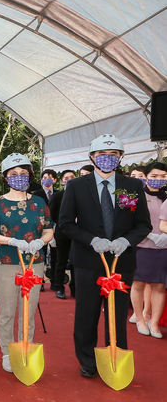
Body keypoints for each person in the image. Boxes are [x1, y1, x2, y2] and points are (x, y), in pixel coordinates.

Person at [59, 134, 151, 378]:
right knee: (87, 312)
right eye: (102, 155)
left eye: (113, 155)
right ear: (92, 157)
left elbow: (143, 224)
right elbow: (66, 224)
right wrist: (92, 240)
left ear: (121, 158)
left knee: (118, 312)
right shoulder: (76, 186)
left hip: (122, 260)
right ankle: (87, 359)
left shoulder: (132, 186)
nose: (108, 160)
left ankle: (116, 353)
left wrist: (126, 240)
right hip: (89, 260)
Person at [0, 153, 53, 373]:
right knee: (7, 310)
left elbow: (49, 229)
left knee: (28, 309)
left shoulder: (40, 202)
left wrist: (40, 242)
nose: (19, 177)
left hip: (34, 262)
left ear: (30, 175)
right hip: (6, 261)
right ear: (6, 177)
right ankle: (6, 351)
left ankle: (25, 346)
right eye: (14, 174)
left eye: (23, 173)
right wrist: (12, 241)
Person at [130, 162, 167, 339]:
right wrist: (151, 235)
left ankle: (154, 321)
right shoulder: (135, 196)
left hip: (164, 247)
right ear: (145, 177)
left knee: (159, 286)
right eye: (154, 176)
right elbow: (130, 221)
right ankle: (140, 318)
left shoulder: (165, 197)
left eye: (163, 176)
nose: (159, 180)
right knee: (138, 283)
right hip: (142, 245)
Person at [48, 169, 76, 299]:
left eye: (72, 177)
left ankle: (75, 289)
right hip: (62, 234)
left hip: (78, 235)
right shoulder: (57, 196)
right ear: (62, 181)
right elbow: (51, 215)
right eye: (66, 178)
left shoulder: (82, 195)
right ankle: (59, 287)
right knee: (61, 261)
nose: (69, 180)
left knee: (76, 262)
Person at [128, 165, 151, 323]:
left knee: (153, 281)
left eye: (140, 175)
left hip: (157, 245)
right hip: (135, 242)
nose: (137, 179)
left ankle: (147, 310)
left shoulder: (161, 196)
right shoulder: (127, 197)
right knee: (137, 280)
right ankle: (137, 311)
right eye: (133, 175)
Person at [33, 169, 58, 290]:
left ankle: (54, 281)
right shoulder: (35, 194)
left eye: (50, 177)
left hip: (56, 228)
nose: (47, 179)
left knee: (56, 256)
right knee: (40, 255)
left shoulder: (59, 193)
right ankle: (40, 280)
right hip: (40, 229)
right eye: (44, 177)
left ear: (55, 180)